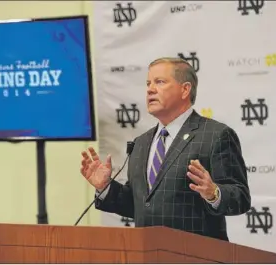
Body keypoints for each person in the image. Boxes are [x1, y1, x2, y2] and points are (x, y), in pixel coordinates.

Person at [80, 57, 251, 241]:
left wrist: (213, 192)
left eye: (160, 82)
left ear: (185, 89)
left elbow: (240, 198)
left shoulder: (215, 135)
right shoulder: (141, 143)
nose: (150, 89)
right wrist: (106, 187)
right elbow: (140, 205)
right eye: (148, 83)